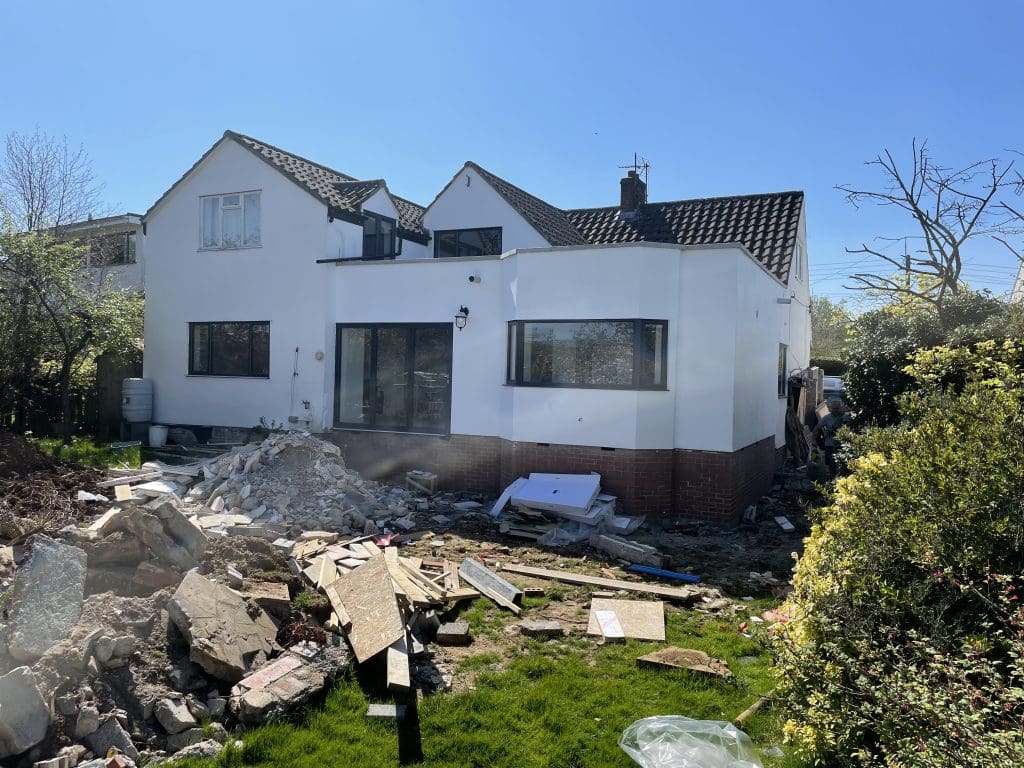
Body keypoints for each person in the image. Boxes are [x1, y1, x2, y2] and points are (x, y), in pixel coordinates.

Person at [811, 398, 851, 478]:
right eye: (834, 408)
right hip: (829, 444)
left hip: (842, 444)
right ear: (830, 408)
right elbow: (816, 429)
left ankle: (842, 478)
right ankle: (832, 477)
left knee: (842, 462)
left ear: (841, 408)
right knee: (830, 463)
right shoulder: (826, 418)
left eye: (837, 408)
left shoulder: (846, 417)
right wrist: (813, 440)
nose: (835, 410)